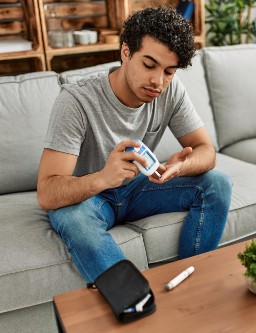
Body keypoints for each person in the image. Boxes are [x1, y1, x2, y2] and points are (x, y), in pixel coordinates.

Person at [37, 7, 232, 285]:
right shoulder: (76, 102)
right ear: (125, 52)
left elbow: (206, 150)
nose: (158, 82)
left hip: (138, 188)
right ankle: (134, 300)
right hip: (90, 196)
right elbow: (46, 193)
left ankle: (192, 285)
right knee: (73, 219)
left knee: (217, 184)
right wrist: (103, 178)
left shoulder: (170, 90)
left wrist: (182, 166)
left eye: (169, 71)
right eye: (149, 65)